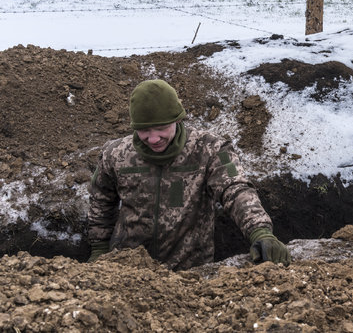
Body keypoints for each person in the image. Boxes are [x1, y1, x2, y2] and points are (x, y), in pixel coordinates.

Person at [88, 79, 290, 270]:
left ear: (177, 119)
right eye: (145, 130)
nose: (153, 138)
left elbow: (235, 189)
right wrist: (99, 248)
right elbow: (101, 200)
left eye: (161, 128)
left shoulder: (209, 149)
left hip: (191, 273)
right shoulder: (115, 154)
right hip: (127, 271)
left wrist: (260, 231)